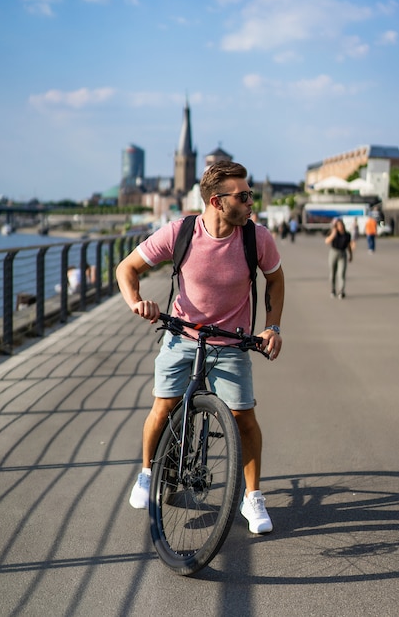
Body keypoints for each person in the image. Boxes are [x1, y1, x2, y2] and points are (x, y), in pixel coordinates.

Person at [116, 160, 284, 534]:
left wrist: (272, 327)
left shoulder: (257, 238)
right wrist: (136, 302)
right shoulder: (181, 232)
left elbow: (275, 280)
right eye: (242, 196)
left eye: (250, 193)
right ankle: (147, 472)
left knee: (244, 418)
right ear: (216, 201)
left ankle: (252, 498)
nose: (250, 201)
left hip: (232, 341)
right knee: (163, 407)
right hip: (182, 335)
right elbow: (126, 269)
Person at [325, 219, 353, 299]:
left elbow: (348, 245)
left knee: (341, 273)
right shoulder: (334, 233)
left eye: (341, 225)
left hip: (342, 254)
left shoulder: (347, 234)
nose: (340, 227)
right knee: (333, 273)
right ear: (336, 226)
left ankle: (341, 291)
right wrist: (333, 234)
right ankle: (333, 290)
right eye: (338, 225)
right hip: (333, 253)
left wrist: (350, 255)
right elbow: (326, 241)